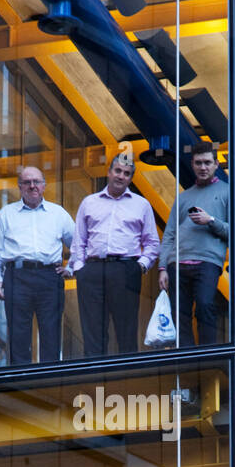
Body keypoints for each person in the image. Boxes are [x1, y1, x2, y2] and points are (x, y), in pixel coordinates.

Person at [69, 152, 160, 356]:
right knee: (92, 329)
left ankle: (127, 379)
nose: (121, 176)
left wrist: (140, 266)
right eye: (117, 171)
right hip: (92, 270)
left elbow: (153, 243)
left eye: (126, 173)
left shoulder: (141, 205)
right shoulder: (89, 202)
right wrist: (79, 270)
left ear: (130, 178)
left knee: (126, 328)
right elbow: (79, 240)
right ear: (109, 172)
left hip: (125, 269)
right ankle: (94, 377)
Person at [0, 166, 75, 364]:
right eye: (27, 182)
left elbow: (79, 244)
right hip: (17, 277)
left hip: (50, 277)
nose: (32, 186)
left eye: (36, 182)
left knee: (51, 333)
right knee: (18, 336)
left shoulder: (58, 213)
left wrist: (71, 268)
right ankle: (21, 386)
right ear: (19, 187)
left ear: (44, 186)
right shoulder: (7, 213)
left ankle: (50, 385)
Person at [158, 142, 230, 347]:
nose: (203, 167)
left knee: (205, 306)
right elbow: (170, 234)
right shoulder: (183, 197)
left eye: (207, 162)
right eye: (198, 163)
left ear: (216, 164)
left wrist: (211, 221)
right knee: (179, 314)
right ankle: (185, 358)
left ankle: (207, 354)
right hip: (177, 262)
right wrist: (162, 267)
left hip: (207, 261)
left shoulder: (227, 192)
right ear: (192, 164)